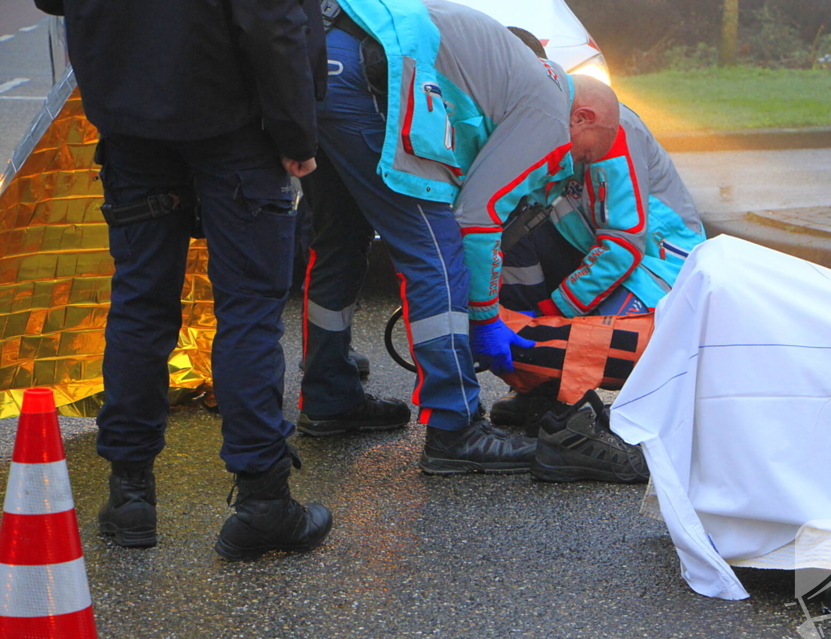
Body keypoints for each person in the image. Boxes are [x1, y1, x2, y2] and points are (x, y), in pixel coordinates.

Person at [35, 0, 333, 559]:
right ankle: (263, 499)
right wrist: (298, 136)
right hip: (234, 124)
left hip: (130, 121)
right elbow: (274, 23)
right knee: (247, 312)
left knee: (141, 303)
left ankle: (129, 494)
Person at [302, 0, 619, 475]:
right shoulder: (550, 115)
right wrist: (486, 317)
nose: (576, 167)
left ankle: (328, 397)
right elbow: (475, 219)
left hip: (318, 59)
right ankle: (455, 428)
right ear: (585, 117)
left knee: (340, 242)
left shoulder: (519, 77)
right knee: (435, 251)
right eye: (587, 155)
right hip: (365, 77)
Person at [491, 31, 705, 427]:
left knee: (586, 338)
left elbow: (623, 246)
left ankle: (562, 385)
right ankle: (537, 386)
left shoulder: (609, 128)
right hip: (596, 248)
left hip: (657, 270)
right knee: (509, 240)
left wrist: (550, 315)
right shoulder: (542, 117)